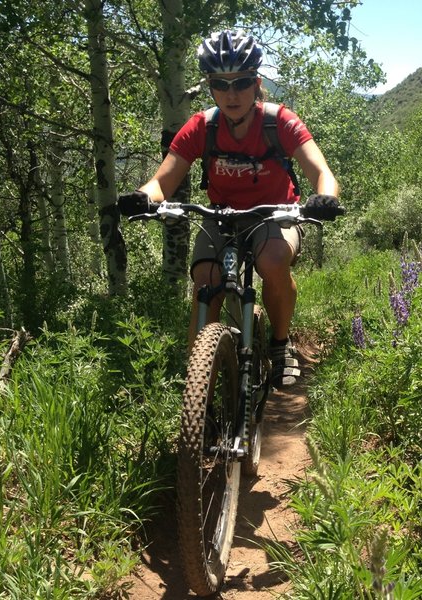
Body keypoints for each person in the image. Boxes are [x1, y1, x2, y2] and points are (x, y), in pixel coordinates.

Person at [118, 29, 340, 388]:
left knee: (271, 261)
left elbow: (320, 170)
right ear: (210, 86)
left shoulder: (279, 121)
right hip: (220, 217)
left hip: (276, 214)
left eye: (242, 82)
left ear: (256, 83)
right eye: (221, 83)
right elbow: (163, 181)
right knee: (206, 282)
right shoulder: (201, 128)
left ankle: (281, 346)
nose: (231, 93)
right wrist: (144, 197)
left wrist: (324, 196)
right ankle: (199, 379)